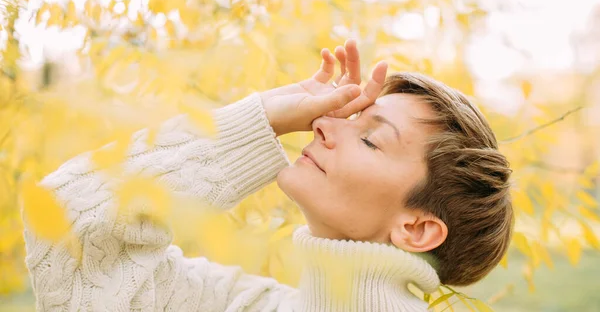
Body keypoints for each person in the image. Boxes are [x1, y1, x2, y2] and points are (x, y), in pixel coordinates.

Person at [23, 39, 513, 311]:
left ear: (417, 227)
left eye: (369, 137)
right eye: (342, 114)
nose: (321, 124)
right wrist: (264, 116)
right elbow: (66, 219)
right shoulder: (241, 304)